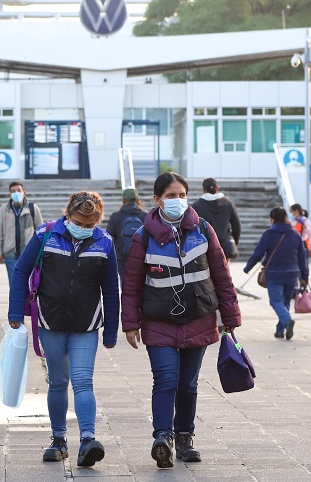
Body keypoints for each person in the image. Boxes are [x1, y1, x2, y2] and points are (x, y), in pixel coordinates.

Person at [121, 172, 241, 469]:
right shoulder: (143, 236)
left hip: (199, 318)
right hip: (157, 321)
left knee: (187, 383)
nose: (177, 201)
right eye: (171, 196)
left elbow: (222, 274)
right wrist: (131, 322)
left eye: (181, 195)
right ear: (157, 200)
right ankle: (162, 437)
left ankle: (185, 437)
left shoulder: (203, 229)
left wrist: (230, 315)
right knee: (165, 380)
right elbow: (132, 283)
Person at [8, 191, 119, 467]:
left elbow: (111, 289)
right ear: (67, 215)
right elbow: (21, 270)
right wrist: (14, 313)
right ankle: (58, 440)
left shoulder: (105, 243)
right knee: (58, 382)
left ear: (98, 221)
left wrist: (111, 330)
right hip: (50, 322)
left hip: (86, 325)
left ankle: (87, 441)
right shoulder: (45, 235)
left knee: (83, 381)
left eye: (89, 224)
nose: (83, 228)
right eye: (79, 222)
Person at [244, 206, 309, 341]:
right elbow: (302, 257)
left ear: (272, 220)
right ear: (285, 218)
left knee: (276, 301)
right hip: (292, 274)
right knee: (285, 302)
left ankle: (287, 320)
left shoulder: (269, 234)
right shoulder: (295, 234)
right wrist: (305, 276)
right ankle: (280, 330)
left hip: (274, 273)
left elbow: (258, 252)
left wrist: (248, 267)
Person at [0, 181, 43, 286]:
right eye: (13, 191)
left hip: (29, 253)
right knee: (15, 285)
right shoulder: (4, 210)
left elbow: (40, 231)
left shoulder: (32, 208)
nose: (16, 193)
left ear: (24, 193)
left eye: (19, 190)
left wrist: (41, 251)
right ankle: (17, 303)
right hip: (10, 254)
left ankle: (28, 303)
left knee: (29, 284)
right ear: (9, 194)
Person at [190, 178, 241, 263]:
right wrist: (233, 243)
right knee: (224, 273)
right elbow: (237, 227)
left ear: (203, 190)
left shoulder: (197, 205)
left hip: (205, 248)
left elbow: (192, 227)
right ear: (217, 188)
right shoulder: (228, 203)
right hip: (224, 247)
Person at [105, 187, 148, 282]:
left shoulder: (116, 216)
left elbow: (109, 238)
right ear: (138, 200)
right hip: (141, 257)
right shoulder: (145, 215)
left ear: (123, 200)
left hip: (122, 257)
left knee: (125, 284)